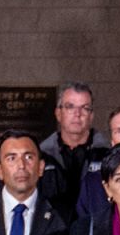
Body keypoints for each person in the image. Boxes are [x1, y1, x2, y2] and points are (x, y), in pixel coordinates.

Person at [39, 82, 110, 220]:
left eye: (85, 108)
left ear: (91, 115)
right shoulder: (41, 156)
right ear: (58, 113)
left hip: (96, 233)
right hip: (52, 234)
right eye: (70, 107)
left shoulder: (107, 154)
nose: (77, 114)